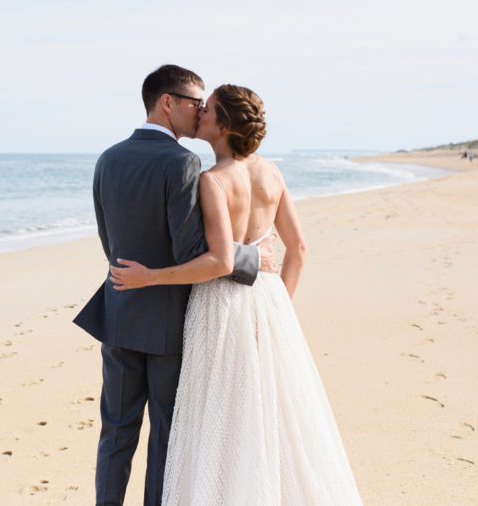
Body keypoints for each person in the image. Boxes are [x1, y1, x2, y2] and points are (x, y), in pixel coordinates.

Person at [110, 84, 364, 505]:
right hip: (270, 302)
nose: (200, 115)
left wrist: (150, 277)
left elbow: (221, 262)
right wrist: (281, 303)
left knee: (219, 415)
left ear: (223, 125)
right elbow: (298, 249)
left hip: (222, 305)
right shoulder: (273, 173)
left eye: (207, 110)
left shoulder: (212, 180)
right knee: (273, 413)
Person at [73, 65, 275, 506]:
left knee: (117, 432)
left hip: (119, 311)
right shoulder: (183, 162)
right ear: (168, 103)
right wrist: (249, 256)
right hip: (168, 323)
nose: (200, 111)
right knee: (167, 431)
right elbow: (190, 250)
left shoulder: (107, 157)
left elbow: (109, 241)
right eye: (194, 103)